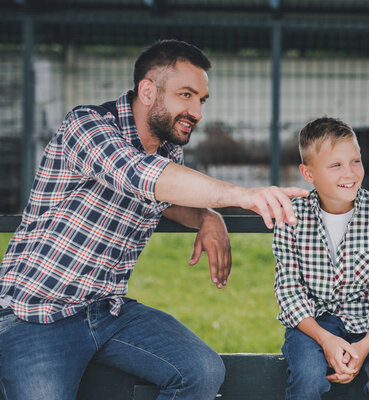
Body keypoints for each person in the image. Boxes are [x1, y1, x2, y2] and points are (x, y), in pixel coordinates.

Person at [0, 39, 307, 400]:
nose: (197, 111)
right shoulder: (86, 127)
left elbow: (164, 193)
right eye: (186, 95)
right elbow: (141, 176)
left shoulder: (166, 150)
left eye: (201, 100)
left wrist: (206, 216)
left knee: (201, 371)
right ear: (148, 91)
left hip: (108, 311)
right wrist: (242, 195)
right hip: (37, 315)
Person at [273, 117, 369, 400]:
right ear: (308, 174)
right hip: (313, 324)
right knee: (307, 379)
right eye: (335, 165)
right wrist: (326, 339)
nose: (349, 173)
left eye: (355, 161)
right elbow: (289, 291)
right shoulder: (290, 218)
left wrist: (363, 346)